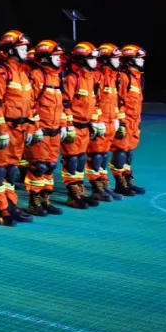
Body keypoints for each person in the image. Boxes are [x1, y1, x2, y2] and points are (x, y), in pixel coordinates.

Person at [0, 30, 36, 226]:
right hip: (4, 129)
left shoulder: (23, 73)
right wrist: (1, 130)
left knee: (12, 171)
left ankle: (11, 205)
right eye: (22, 48)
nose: (26, 51)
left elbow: (30, 104)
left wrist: (30, 127)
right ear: (11, 50)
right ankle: (1, 209)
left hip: (20, 129)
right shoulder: (1, 73)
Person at [24, 40, 66, 216]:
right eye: (55, 56)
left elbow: (60, 105)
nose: (59, 59)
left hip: (54, 131)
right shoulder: (37, 75)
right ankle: (34, 202)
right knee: (38, 167)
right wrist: (35, 127)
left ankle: (45, 199)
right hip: (41, 131)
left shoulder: (57, 77)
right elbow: (29, 103)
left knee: (50, 166)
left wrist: (63, 125)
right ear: (45, 58)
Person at [61, 42, 103, 209]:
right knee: (71, 159)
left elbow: (95, 102)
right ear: (82, 60)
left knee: (81, 159)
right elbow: (65, 103)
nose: (95, 62)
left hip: (85, 127)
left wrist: (95, 121)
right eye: (91, 59)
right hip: (74, 126)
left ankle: (80, 189)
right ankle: (73, 195)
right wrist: (68, 125)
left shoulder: (91, 79)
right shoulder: (72, 79)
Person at [90, 43, 123, 202]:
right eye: (115, 58)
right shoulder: (97, 76)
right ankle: (96, 188)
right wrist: (96, 120)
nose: (118, 61)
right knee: (95, 156)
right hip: (101, 122)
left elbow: (115, 101)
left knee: (103, 155)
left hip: (110, 122)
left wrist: (116, 118)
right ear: (106, 60)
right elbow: (93, 101)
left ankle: (104, 185)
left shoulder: (113, 77)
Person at [113, 45, 147, 195]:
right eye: (139, 58)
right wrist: (120, 121)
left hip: (134, 121)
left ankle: (127, 179)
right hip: (125, 120)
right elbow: (117, 100)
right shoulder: (123, 77)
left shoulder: (137, 78)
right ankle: (119, 183)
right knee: (120, 151)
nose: (142, 61)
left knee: (129, 152)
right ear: (130, 60)